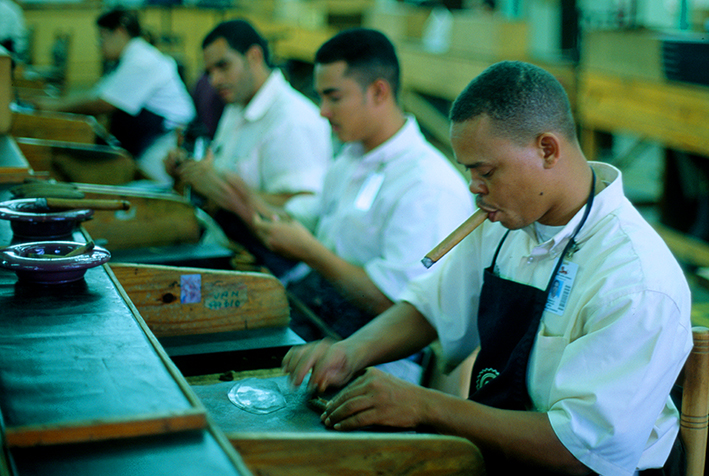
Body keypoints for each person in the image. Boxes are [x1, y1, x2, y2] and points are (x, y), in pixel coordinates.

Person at [282, 61, 693, 475]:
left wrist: (424, 405)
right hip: (499, 454)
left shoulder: (634, 279)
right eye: (469, 171)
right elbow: (432, 307)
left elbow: (579, 450)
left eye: (486, 172)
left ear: (547, 150)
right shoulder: (504, 221)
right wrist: (349, 353)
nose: (474, 187)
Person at [252, 28, 473, 350]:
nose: (323, 111)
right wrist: (242, 200)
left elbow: (400, 309)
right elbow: (316, 219)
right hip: (323, 320)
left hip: (379, 357)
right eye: (321, 97)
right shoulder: (349, 159)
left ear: (379, 92)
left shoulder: (427, 186)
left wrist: (310, 252)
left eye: (334, 97)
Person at [163, 19, 331, 271]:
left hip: (269, 266)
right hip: (226, 241)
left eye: (223, 66)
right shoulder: (236, 106)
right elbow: (221, 169)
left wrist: (223, 189)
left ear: (254, 56)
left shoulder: (293, 120)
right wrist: (190, 171)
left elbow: (305, 211)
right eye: (209, 72)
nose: (215, 80)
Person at [32, 7, 195, 185]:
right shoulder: (127, 58)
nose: (100, 45)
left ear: (119, 32)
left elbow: (102, 104)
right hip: (149, 137)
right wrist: (54, 104)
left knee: (146, 187)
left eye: (102, 37)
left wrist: (53, 107)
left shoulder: (142, 59)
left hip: (165, 143)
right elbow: (96, 94)